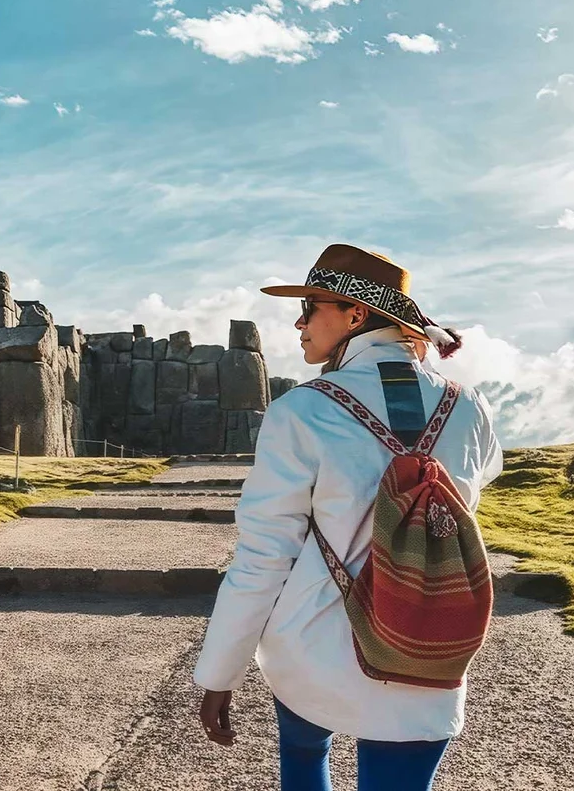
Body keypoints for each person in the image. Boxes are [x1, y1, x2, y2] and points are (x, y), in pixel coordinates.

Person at [194, 244, 503, 791]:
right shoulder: (469, 404)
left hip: (317, 645)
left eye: (311, 306)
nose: (299, 321)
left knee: (304, 755)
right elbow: (485, 475)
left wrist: (220, 672)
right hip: (428, 640)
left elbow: (265, 555)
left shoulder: (303, 409)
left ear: (355, 314)